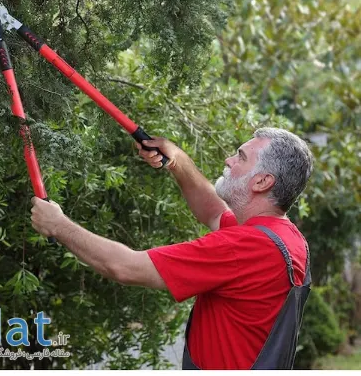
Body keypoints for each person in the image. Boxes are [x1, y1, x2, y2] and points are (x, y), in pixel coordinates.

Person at [30, 127, 314, 370]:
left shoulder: (244, 247)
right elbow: (214, 211)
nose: (228, 160)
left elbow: (125, 267)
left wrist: (58, 225)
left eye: (240, 157)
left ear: (262, 181)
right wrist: (177, 160)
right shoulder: (285, 238)